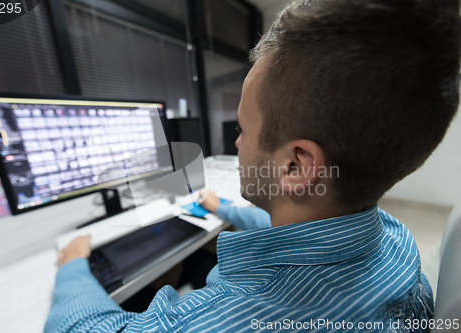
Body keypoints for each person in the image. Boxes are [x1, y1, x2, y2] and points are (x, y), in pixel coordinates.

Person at [45, 1, 461, 332]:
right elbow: (307, 237)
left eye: (243, 128)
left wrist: (73, 267)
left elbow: (85, 326)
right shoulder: (394, 239)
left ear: (297, 167)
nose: (238, 143)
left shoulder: (229, 320)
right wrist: (223, 209)